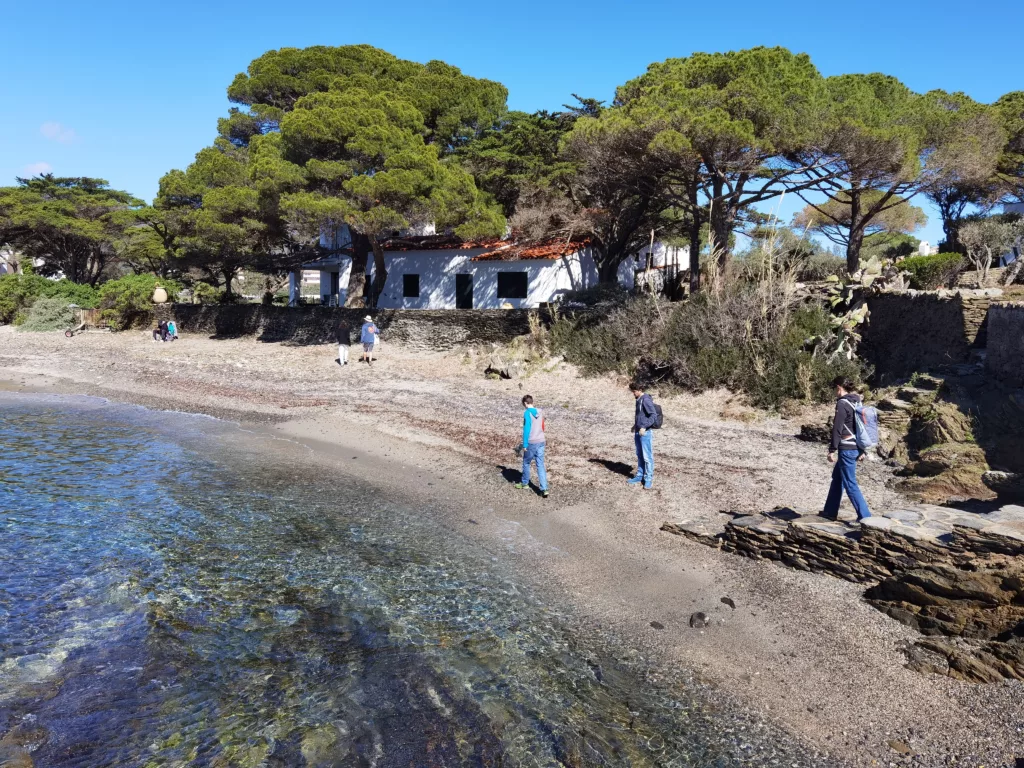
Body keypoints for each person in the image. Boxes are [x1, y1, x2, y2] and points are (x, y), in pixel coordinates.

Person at [823, 376, 872, 521]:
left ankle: (865, 517)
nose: (834, 392)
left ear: (839, 388)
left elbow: (837, 429)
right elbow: (861, 427)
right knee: (837, 478)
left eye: (834, 389)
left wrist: (832, 449)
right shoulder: (857, 401)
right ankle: (829, 512)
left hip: (847, 449)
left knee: (850, 483)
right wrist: (862, 450)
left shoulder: (842, 403)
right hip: (855, 446)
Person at [514, 395, 548, 497]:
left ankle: (525, 483)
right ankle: (544, 488)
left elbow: (526, 429)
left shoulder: (527, 413)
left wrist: (525, 444)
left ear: (525, 403)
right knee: (540, 465)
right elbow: (542, 426)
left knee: (526, 462)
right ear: (531, 401)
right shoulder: (540, 411)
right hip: (541, 440)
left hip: (532, 442)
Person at [628, 381, 656, 489]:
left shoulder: (646, 400)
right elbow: (640, 415)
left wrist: (644, 427)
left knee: (647, 457)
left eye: (634, 391)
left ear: (639, 390)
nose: (633, 393)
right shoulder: (638, 399)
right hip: (638, 431)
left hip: (645, 432)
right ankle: (639, 475)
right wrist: (635, 425)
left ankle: (648, 479)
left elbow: (653, 416)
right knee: (639, 455)